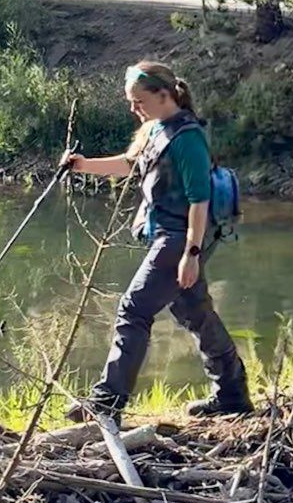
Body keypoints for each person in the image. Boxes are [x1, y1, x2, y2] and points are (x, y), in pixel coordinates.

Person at [62, 61, 253, 422]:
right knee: (194, 312)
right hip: (168, 237)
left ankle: (106, 404)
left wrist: (191, 254)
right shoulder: (155, 129)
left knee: (133, 309)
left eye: (139, 101)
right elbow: (129, 165)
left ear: (165, 96)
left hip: (180, 239)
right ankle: (232, 395)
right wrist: (82, 165)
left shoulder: (188, 138)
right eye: (131, 102)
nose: (134, 109)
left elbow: (200, 200)